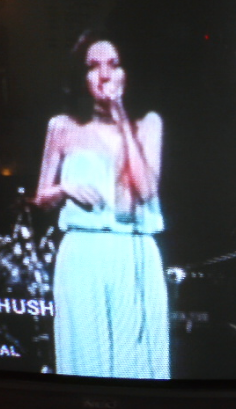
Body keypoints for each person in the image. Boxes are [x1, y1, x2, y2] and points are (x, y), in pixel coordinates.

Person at [35, 30, 169, 379]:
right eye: (93, 66)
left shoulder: (147, 125)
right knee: (86, 362)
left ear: (129, 72)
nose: (104, 75)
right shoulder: (62, 127)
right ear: (81, 76)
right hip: (81, 255)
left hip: (133, 252)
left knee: (134, 364)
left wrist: (120, 114)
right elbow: (40, 200)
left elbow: (146, 190)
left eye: (113, 65)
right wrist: (65, 188)